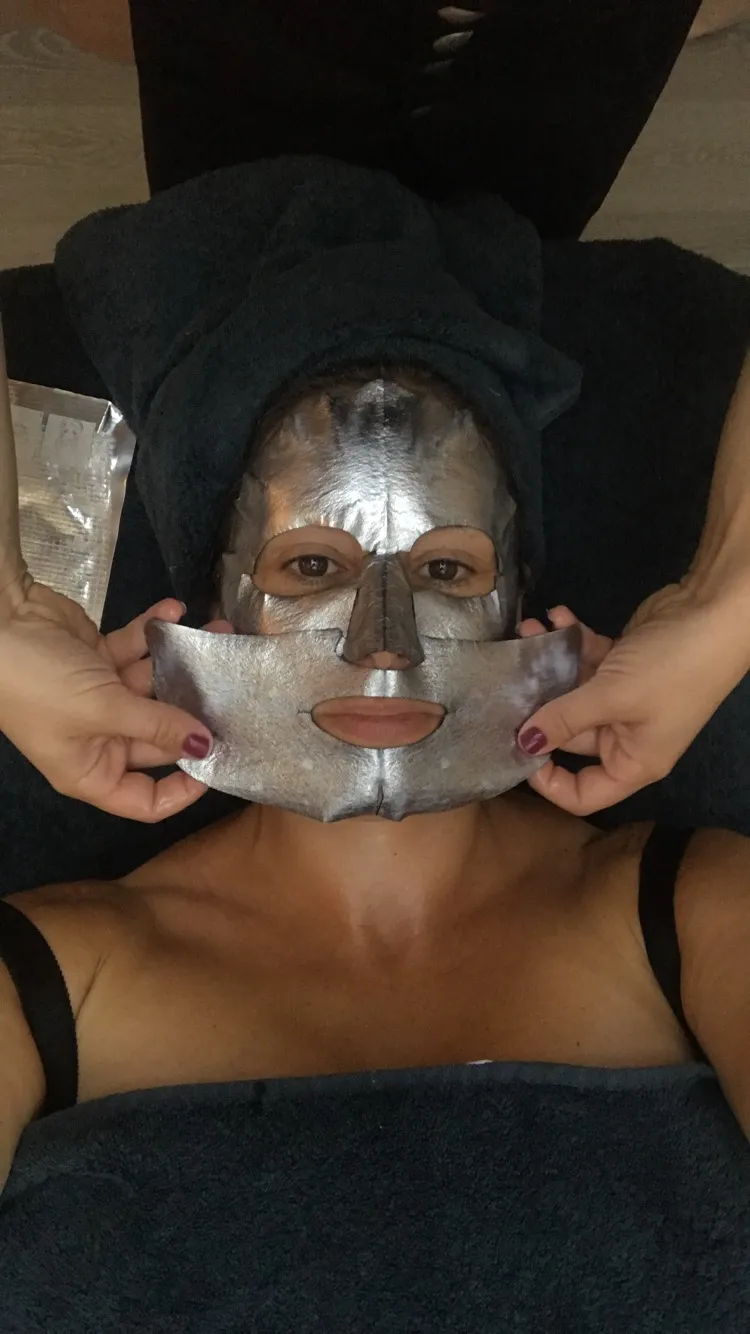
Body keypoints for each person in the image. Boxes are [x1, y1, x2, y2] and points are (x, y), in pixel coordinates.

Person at [2, 365, 750, 1328]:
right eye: (313, 567)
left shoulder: (704, 912)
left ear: (517, 604)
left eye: (446, 572)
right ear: (218, 610)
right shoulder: (43, 979)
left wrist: (725, 599)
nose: (384, 642)